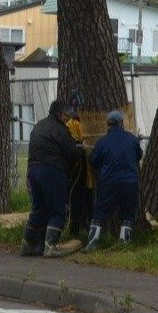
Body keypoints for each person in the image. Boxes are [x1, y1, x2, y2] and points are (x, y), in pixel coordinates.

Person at [20, 100, 84, 258]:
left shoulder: (38, 126)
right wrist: (80, 150)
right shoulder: (61, 130)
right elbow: (72, 154)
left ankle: (27, 245)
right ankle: (50, 246)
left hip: (33, 171)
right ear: (62, 115)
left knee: (38, 209)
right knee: (58, 210)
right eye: (66, 115)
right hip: (52, 172)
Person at [85, 109, 142, 251]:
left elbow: (94, 160)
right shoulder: (132, 139)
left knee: (99, 213)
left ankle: (92, 242)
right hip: (130, 182)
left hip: (109, 182)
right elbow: (138, 156)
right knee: (128, 214)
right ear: (122, 123)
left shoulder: (102, 142)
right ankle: (124, 242)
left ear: (108, 124)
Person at [65, 91, 94, 237]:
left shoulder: (88, 122)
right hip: (78, 169)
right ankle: (74, 231)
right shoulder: (71, 124)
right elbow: (76, 143)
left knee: (90, 201)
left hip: (90, 169)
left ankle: (90, 230)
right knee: (76, 200)